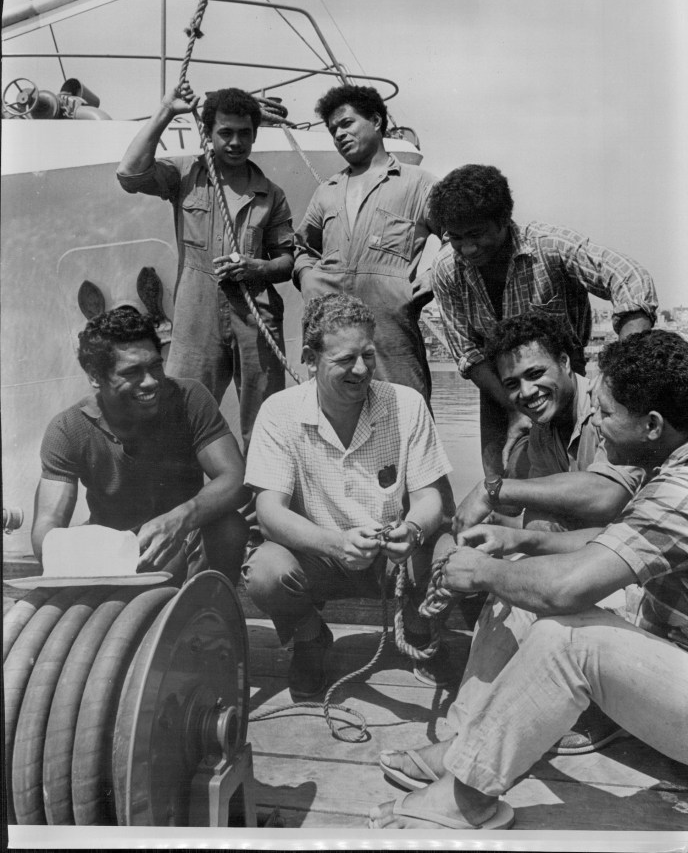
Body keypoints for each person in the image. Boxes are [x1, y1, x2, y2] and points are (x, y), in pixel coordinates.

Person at [369, 329, 688, 831]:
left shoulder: (682, 487)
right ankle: (464, 742)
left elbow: (566, 589)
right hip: (669, 649)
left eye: (605, 414)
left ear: (651, 424)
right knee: (521, 581)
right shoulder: (671, 460)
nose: (598, 428)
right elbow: (622, 537)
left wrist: (482, 571)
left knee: (565, 638)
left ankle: (466, 798)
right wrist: (520, 543)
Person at [243, 293, 453, 699]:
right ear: (309, 357)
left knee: (444, 551)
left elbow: (431, 499)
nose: (361, 370)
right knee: (265, 572)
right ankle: (310, 639)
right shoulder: (278, 412)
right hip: (320, 555)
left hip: (393, 558)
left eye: (368, 355)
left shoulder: (406, 404)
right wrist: (337, 544)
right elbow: (269, 513)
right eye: (345, 360)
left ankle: (419, 628)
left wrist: (411, 529)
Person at [429, 164, 658, 477]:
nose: (467, 248)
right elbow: (467, 354)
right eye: (455, 237)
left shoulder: (549, 245)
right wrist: (514, 407)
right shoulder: (445, 269)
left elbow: (629, 278)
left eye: (476, 234)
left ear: (503, 221)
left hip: (563, 382)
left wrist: (623, 372)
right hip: (499, 388)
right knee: (502, 487)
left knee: (587, 477)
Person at [116, 83, 294, 451]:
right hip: (196, 316)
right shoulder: (184, 175)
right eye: (225, 133)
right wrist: (166, 110)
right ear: (208, 133)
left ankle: (259, 504)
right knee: (180, 414)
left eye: (245, 133)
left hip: (255, 318)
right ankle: (187, 502)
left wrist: (255, 267)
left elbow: (286, 262)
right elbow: (129, 175)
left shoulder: (271, 194)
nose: (235, 142)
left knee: (265, 426)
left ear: (255, 135)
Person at [31, 307, 250, 585]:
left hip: (181, 539)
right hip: (112, 554)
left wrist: (179, 519)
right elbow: (45, 530)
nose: (150, 382)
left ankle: (213, 616)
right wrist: (83, 553)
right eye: (132, 372)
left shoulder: (190, 398)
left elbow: (236, 479)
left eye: (155, 366)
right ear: (95, 377)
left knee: (229, 528)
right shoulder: (67, 429)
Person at [293, 85, 440, 406]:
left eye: (346, 123)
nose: (339, 135)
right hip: (331, 332)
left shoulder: (417, 183)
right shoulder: (326, 191)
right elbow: (303, 248)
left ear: (376, 120)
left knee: (407, 413)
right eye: (333, 130)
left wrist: (435, 275)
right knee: (332, 420)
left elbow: (459, 236)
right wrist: (307, 278)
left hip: (391, 332)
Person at [454, 311, 645, 534]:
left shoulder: (608, 410)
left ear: (564, 363)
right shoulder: (540, 430)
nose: (526, 392)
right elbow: (542, 513)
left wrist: (492, 490)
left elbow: (607, 496)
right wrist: (495, 522)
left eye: (535, 374)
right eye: (512, 384)